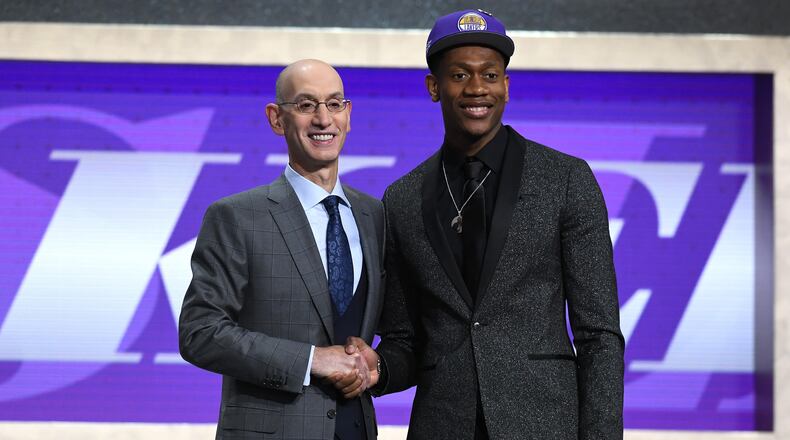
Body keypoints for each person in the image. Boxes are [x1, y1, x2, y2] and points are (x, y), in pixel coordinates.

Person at [347, 9, 624, 440]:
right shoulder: (401, 199)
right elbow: (406, 340)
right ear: (434, 87)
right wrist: (377, 369)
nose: (477, 88)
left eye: (490, 75)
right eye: (459, 75)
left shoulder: (566, 179)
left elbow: (600, 335)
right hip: (441, 427)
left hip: (544, 426)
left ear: (507, 87)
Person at [179, 59, 385, 440]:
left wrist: (380, 363)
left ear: (348, 114)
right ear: (277, 119)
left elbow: (400, 329)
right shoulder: (237, 217)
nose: (324, 119)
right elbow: (200, 332)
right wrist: (312, 360)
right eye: (306, 105)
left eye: (334, 104)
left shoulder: (375, 216)